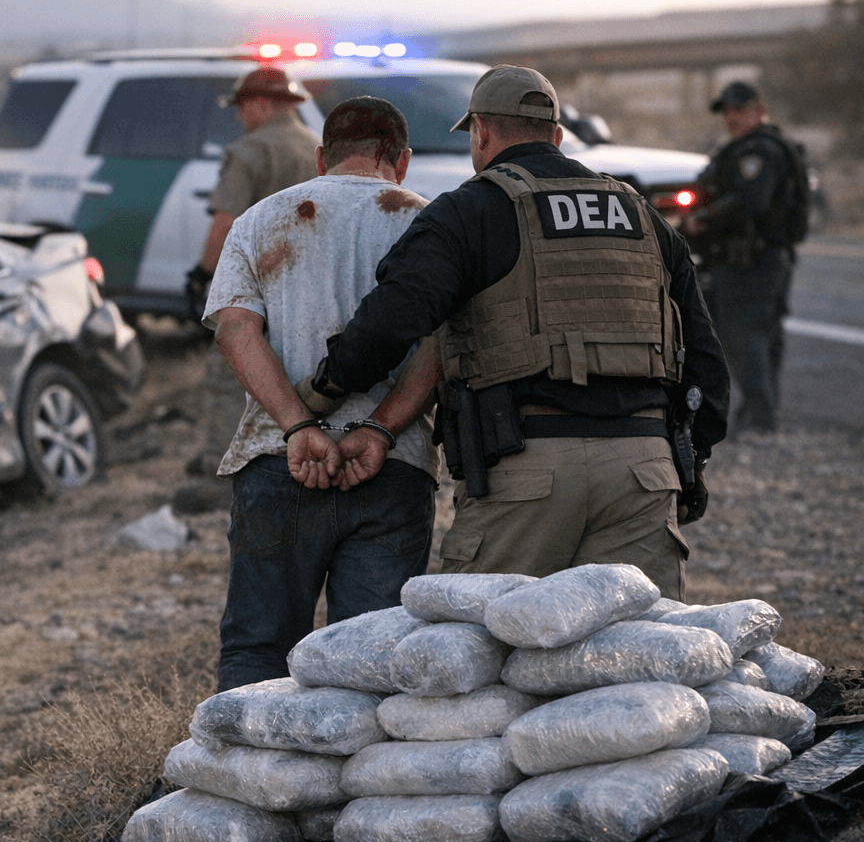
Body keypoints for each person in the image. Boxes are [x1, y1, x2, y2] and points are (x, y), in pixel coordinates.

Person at [307, 65, 729, 601]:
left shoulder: (469, 211)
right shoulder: (640, 213)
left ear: (480, 132)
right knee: (636, 659)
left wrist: (326, 389)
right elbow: (706, 360)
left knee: (484, 649)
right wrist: (690, 458)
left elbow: (391, 320)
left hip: (526, 469)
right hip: (643, 469)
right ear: (556, 135)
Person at [203, 96, 442, 692]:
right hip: (390, 466)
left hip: (277, 461)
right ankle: (356, 786)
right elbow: (445, 343)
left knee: (258, 650)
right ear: (403, 162)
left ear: (320, 157)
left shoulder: (259, 220)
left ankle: (246, 781)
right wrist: (381, 428)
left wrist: (296, 427)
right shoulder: (431, 223)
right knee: (371, 663)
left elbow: (236, 328)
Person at [179, 65, 321, 511]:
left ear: (259, 104)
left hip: (258, 285)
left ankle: (222, 469)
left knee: (228, 371)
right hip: (310, 287)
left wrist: (202, 277)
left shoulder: (249, 151)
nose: (240, 117)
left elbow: (225, 223)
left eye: (242, 107)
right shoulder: (317, 148)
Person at [684, 81, 808, 434]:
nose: (731, 117)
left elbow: (752, 201)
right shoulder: (741, 150)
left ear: (759, 110)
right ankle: (760, 414)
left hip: (752, 262)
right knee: (759, 336)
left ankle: (760, 418)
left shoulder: (760, 152)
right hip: (751, 259)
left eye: (739, 110)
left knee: (745, 336)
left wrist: (703, 220)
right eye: (727, 111)